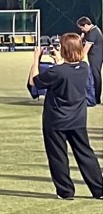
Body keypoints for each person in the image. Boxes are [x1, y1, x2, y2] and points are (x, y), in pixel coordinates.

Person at [30, 34, 103, 199]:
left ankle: (66, 191)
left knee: (58, 155)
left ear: (64, 50)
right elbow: (67, 73)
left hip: (56, 119)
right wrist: (59, 61)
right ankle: (99, 189)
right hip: (77, 118)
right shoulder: (84, 67)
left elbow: (35, 82)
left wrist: (36, 59)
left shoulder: (57, 71)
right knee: (85, 153)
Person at [77, 16, 102, 106]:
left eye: (82, 28)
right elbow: (81, 42)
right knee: (95, 76)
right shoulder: (92, 31)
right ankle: (95, 97)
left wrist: (77, 59)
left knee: (96, 76)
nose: (82, 30)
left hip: (96, 57)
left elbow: (85, 49)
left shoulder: (93, 33)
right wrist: (82, 36)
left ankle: (96, 98)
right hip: (95, 56)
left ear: (86, 25)